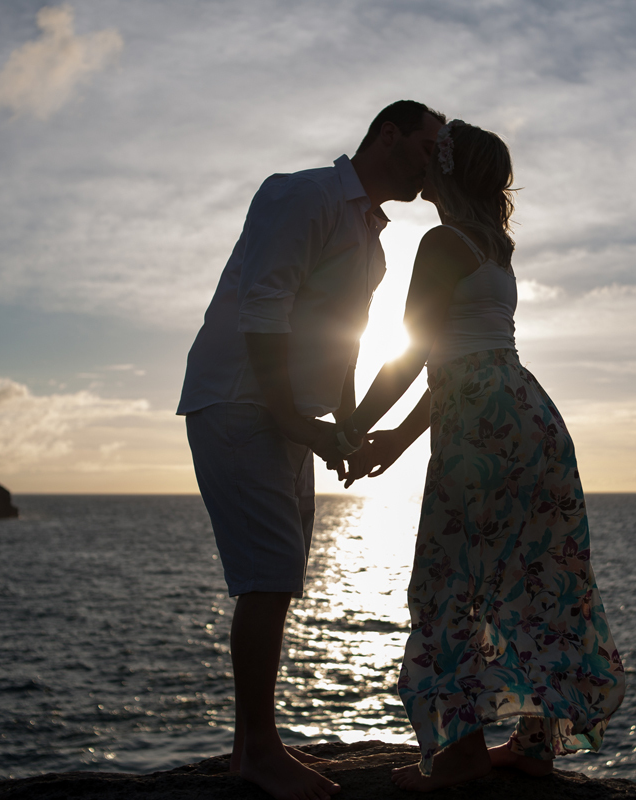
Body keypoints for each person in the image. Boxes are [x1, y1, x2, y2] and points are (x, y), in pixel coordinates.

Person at [340, 120, 628, 792]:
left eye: (435, 152)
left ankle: (462, 757)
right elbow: (463, 360)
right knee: (536, 579)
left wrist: (350, 426)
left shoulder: (443, 243)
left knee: (446, 586)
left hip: (481, 427)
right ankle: (533, 747)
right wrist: (397, 439)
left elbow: (415, 353)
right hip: (529, 416)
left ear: (449, 168)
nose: (426, 159)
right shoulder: (495, 249)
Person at [176, 100, 445, 800]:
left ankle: (253, 746)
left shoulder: (373, 243)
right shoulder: (304, 195)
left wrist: (344, 422)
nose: (434, 164)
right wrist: (295, 419)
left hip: (284, 414)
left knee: (281, 571)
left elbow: (342, 341)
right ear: (388, 134)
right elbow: (264, 305)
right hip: (241, 401)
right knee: (268, 575)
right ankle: (259, 753)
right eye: (427, 147)